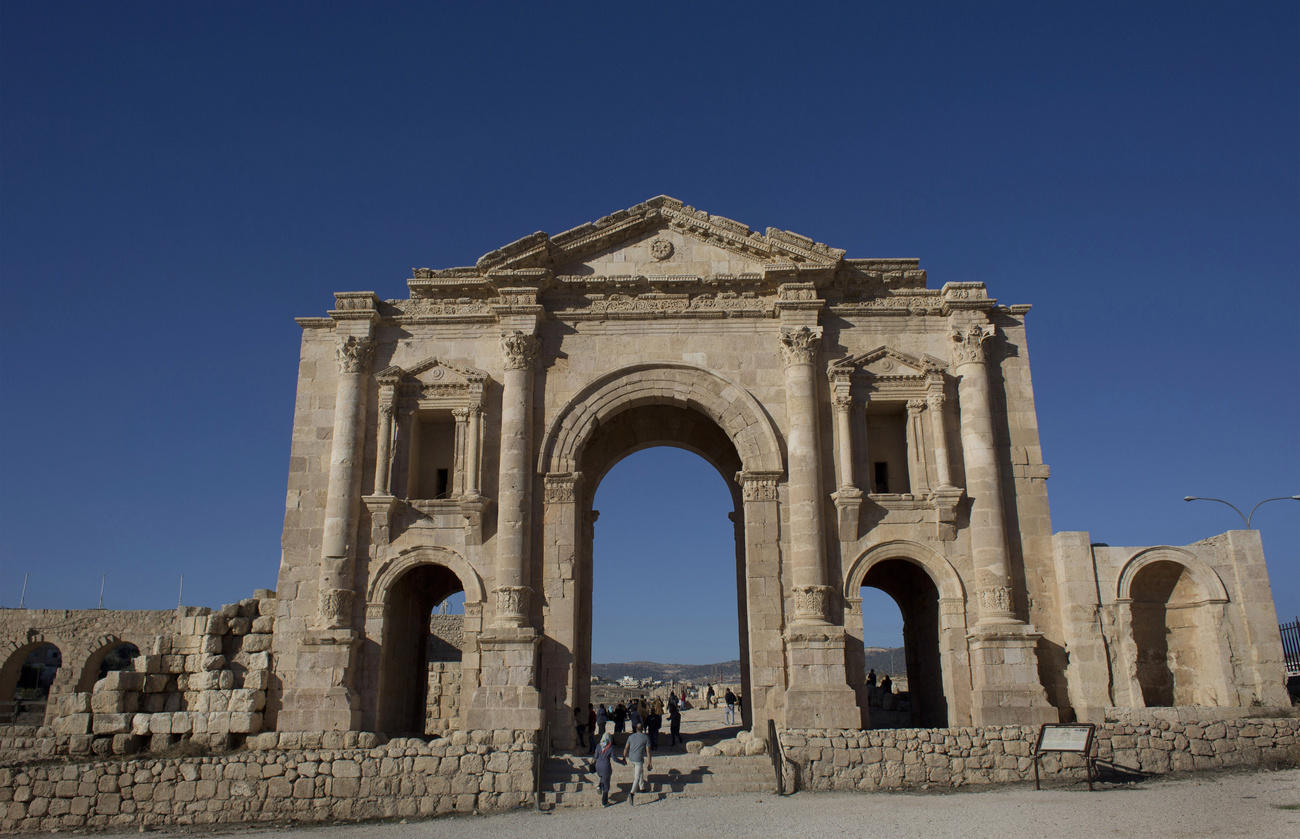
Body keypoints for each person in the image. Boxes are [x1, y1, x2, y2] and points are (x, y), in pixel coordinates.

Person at [622, 722, 652, 805]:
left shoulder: (630, 737)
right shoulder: (645, 737)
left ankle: (642, 787)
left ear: (635, 729)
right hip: (638, 759)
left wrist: (624, 757)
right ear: (642, 729)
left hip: (631, 758)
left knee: (640, 771)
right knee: (637, 777)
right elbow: (648, 751)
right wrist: (649, 762)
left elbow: (626, 748)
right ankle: (632, 793)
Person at [591, 732, 617, 807]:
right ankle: (604, 802)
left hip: (598, 766)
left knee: (602, 777)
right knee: (606, 785)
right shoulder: (610, 747)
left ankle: (599, 785)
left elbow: (595, 756)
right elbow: (614, 759)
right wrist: (622, 761)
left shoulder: (598, 746)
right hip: (606, 767)